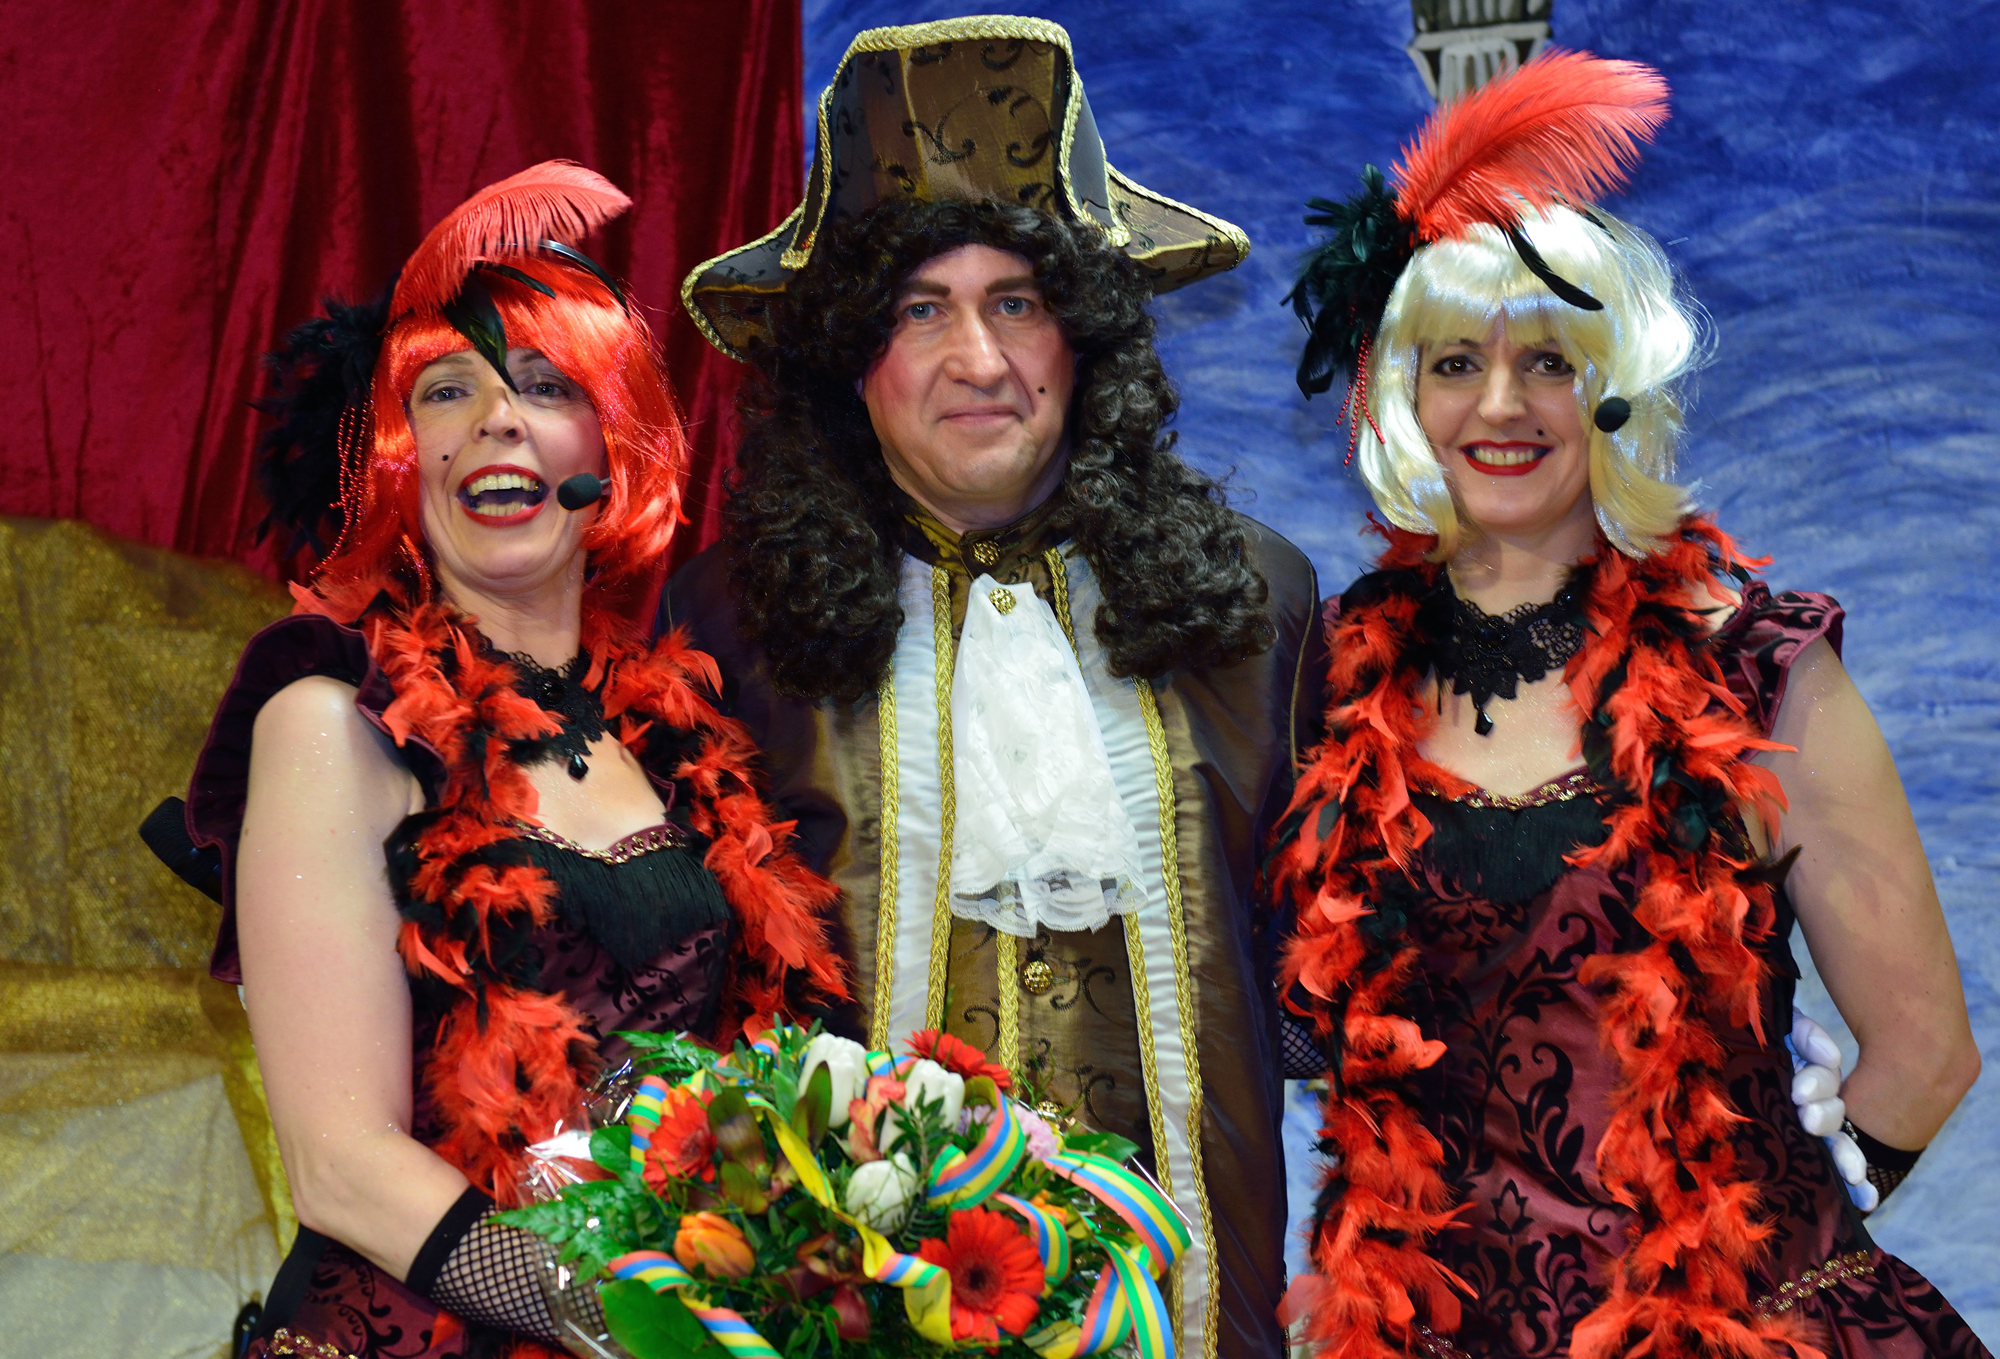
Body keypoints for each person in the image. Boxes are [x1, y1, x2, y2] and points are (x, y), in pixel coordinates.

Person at [1273, 52, 1986, 1359]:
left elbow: (1927, 1050)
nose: (1499, 404)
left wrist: (1781, 1255)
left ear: (1612, 390)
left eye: (1546, 360)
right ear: (1398, 395)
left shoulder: (1758, 674)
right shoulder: (1322, 682)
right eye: (1454, 362)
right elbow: (1302, 1022)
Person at [667, 17, 1323, 1358]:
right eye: (920, 308)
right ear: (848, 354)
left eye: (1017, 301)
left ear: (1085, 335)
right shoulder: (726, 625)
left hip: (1205, 1308)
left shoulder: (1257, 605)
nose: (979, 358)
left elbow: (1353, 975)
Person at [182, 163, 845, 1359]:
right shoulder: (332, 719)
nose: (497, 418)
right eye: (447, 391)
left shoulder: (679, 744)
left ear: (611, 448)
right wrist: (631, 1323)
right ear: (399, 456)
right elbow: (339, 1167)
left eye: (546, 385)